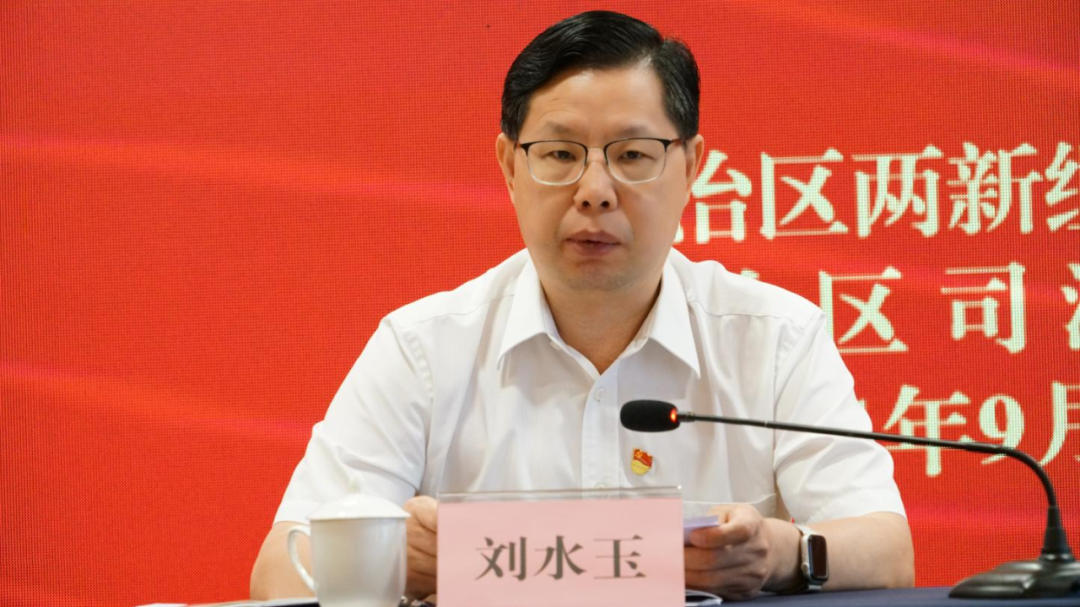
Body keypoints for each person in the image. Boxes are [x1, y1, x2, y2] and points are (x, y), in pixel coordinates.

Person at [251, 10, 914, 601]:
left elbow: (887, 551)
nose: (594, 190)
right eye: (561, 154)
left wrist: (778, 553)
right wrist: (398, 560)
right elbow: (279, 570)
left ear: (691, 166)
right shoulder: (423, 347)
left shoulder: (776, 338)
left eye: (633, 155)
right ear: (510, 166)